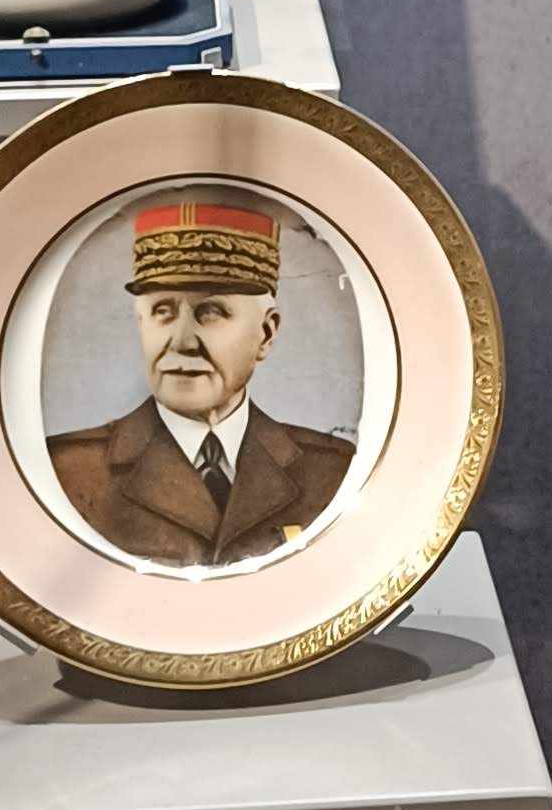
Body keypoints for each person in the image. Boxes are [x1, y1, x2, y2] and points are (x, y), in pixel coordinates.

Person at [46, 193, 354, 565]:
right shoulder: (70, 472)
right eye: (163, 311)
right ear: (141, 324)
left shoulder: (332, 472)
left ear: (266, 333)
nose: (182, 342)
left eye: (211, 312)